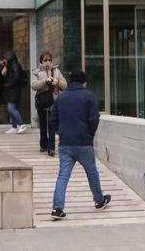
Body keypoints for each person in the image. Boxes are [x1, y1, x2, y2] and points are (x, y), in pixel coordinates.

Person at [48, 70, 111, 220]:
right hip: (84, 143)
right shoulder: (89, 96)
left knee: (63, 176)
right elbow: (94, 118)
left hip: (65, 144)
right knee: (92, 173)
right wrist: (89, 135)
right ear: (84, 82)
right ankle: (99, 201)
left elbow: (52, 121)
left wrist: (61, 133)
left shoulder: (60, 98)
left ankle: (57, 209)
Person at [30, 51, 67, 156]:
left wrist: (57, 82)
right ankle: (43, 144)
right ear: (41, 61)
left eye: (49, 60)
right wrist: (44, 82)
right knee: (43, 124)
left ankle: (51, 148)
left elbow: (65, 85)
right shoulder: (36, 72)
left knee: (52, 124)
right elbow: (33, 86)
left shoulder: (56, 71)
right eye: (45, 60)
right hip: (42, 101)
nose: (48, 62)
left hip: (55, 102)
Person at [0, 50, 27, 134]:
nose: (4, 60)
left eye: (5, 58)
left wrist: (8, 85)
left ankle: (21, 125)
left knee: (11, 108)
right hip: (11, 90)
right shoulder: (10, 65)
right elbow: (4, 74)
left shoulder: (15, 65)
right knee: (11, 108)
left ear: (9, 58)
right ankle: (14, 127)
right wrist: (4, 66)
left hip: (14, 90)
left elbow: (16, 78)